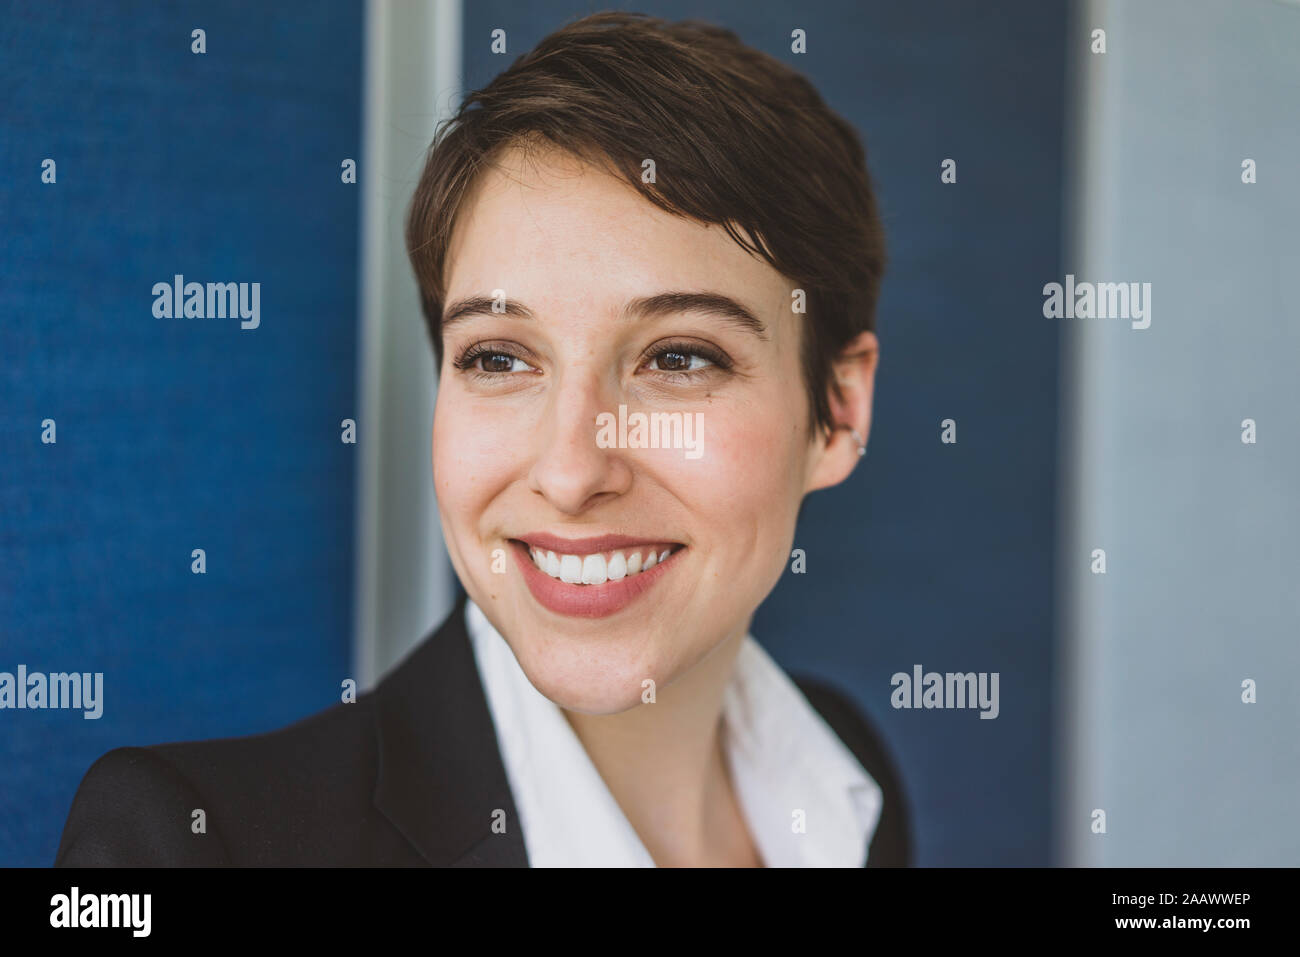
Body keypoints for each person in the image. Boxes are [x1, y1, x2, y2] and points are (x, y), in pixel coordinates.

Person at [56, 10, 910, 868]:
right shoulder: (178, 847)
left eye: (678, 356)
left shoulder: (846, 781)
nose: (571, 471)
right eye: (500, 358)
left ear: (836, 412)